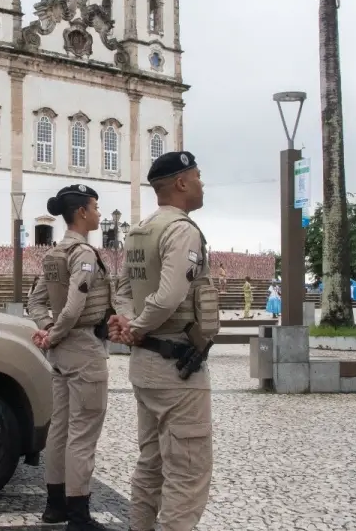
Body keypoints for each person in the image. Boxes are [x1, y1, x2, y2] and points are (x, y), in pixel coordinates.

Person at [107, 151, 216, 531]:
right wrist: (136, 326)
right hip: (176, 367)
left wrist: (128, 321)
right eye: (198, 176)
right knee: (187, 472)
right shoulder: (181, 229)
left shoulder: (139, 230)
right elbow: (170, 296)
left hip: (145, 365)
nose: (203, 183)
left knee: (151, 463)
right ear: (182, 183)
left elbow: (121, 288)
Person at [26, 184, 112, 531]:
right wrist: (56, 334)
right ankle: (79, 517)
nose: (99, 213)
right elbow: (76, 305)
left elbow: (35, 303)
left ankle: (55, 507)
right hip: (83, 348)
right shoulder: (84, 254)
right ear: (81, 212)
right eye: (95, 207)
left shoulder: (54, 254)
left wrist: (47, 331)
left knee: (59, 430)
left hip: (61, 353)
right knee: (83, 434)